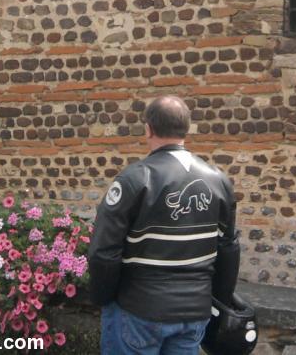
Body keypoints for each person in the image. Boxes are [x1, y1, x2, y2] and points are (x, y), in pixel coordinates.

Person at [88, 95, 240, 355]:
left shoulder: (134, 180)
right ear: (186, 128)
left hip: (138, 310)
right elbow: (228, 248)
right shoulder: (219, 181)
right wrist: (218, 301)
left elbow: (103, 252)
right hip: (194, 313)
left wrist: (103, 298)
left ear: (148, 129)